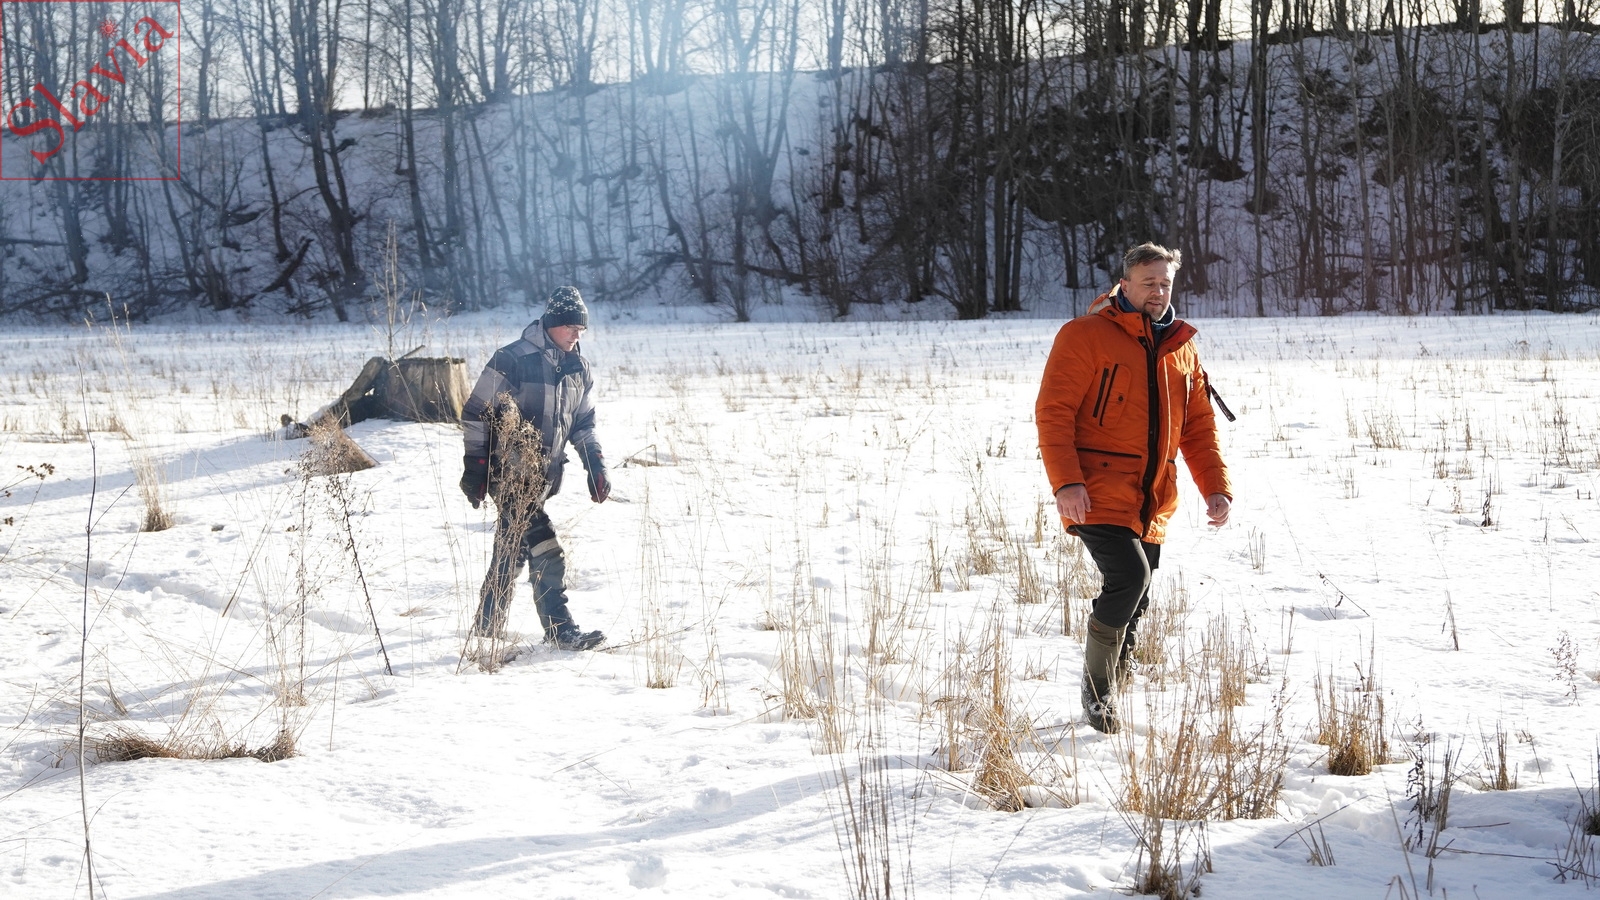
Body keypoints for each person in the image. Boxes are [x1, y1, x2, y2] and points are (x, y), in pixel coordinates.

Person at [1035, 243, 1232, 733]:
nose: (1159, 292)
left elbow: (1198, 428)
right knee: (1129, 577)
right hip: (1096, 488)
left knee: (1139, 596)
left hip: (1153, 495)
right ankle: (1097, 694)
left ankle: (1116, 681)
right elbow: (1053, 413)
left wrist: (1215, 487)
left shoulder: (1182, 347)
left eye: (1165, 283)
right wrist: (1066, 482)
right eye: (1149, 283)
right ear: (1124, 285)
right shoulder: (1084, 336)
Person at [459, 286, 611, 650]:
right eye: (571, 327)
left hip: (545, 478)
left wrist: (595, 463)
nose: (576, 335)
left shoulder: (579, 367)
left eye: (581, 329)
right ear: (551, 323)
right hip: (508, 476)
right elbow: (476, 412)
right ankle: (560, 629)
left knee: (510, 551)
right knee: (547, 549)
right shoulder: (512, 358)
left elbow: (583, 422)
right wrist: (476, 466)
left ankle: (486, 628)